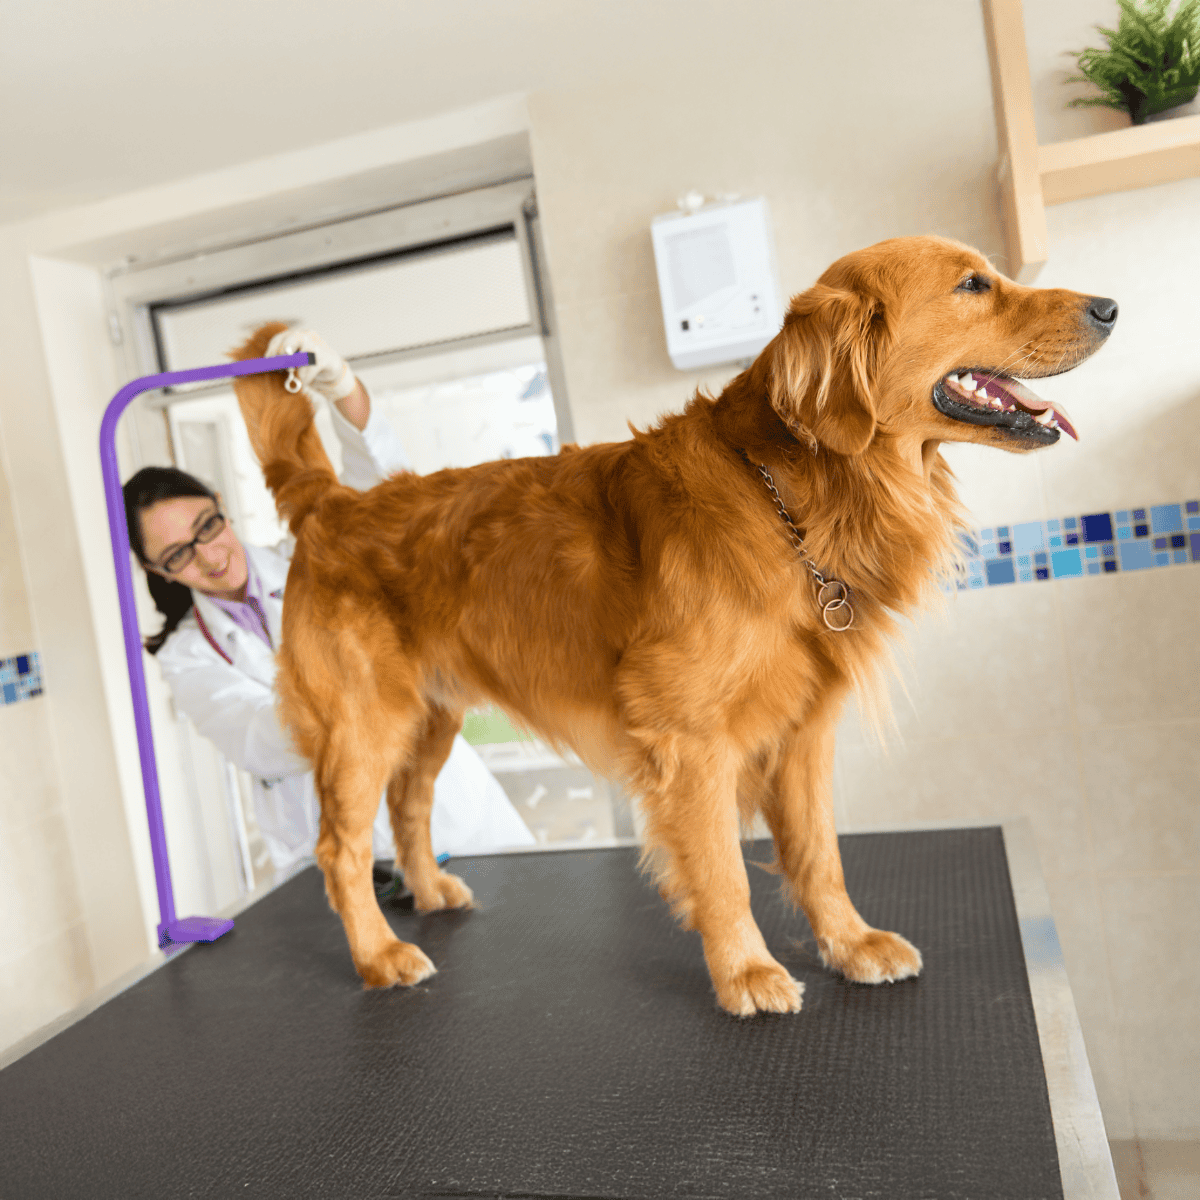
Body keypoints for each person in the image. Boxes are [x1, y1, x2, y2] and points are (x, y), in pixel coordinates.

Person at [122, 328, 534, 881]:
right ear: (154, 570)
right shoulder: (188, 655)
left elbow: (383, 505)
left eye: (209, 527)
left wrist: (345, 391)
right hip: (340, 862)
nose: (211, 557)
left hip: (457, 827)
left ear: (222, 507)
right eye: (178, 554)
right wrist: (354, 686)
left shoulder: (311, 558)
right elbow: (256, 741)